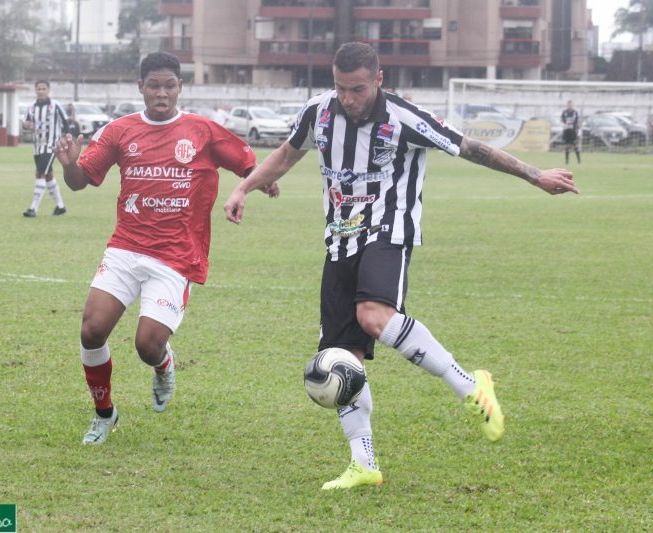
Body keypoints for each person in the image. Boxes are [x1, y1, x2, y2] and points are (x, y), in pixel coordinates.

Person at [224, 42, 579, 490]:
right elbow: (287, 154)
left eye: (356, 89)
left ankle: (470, 386)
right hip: (338, 242)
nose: (347, 99)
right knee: (341, 359)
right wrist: (244, 188)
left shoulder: (405, 117)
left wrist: (535, 175)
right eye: (340, 88)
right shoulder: (320, 111)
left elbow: (471, 148)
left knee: (373, 315)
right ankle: (363, 463)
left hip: (388, 232)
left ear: (379, 79)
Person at [53, 51, 278, 445]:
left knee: (147, 345)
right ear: (140, 87)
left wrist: (259, 181)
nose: (161, 93)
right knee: (91, 331)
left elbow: (245, 161)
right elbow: (80, 181)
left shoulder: (203, 131)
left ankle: (164, 363)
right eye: (153, 85)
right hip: (125, 247)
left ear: (180, 88)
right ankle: (105, 415)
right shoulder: (119, 131)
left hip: (176, 256)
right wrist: (70, 165)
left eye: (169, 86)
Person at [22, 80, 68, 217]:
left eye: (44, 89)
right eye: (39, 89)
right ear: (35, 90)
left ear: (48, 90)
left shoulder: (55, 106)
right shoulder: (31, 108)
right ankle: (60, 206)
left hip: (51, 146)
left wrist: (65, 140)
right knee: (48, 175)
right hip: (37, 146)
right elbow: (26, 124)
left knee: (40, 173)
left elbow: (66, 123)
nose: (41, 91)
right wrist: (26, 125)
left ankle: (33, 208)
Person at [561, 100, 580, 164]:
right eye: (569, 105)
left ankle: (579, 161)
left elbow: (577, 121)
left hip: (573, 131)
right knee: (567, 146)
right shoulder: (565, 112)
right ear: (567, 105)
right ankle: (567, 161)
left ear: (572, 105)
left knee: (575, 145)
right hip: (567, 130)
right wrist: (565, 123)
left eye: (571, 105)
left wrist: (576, 128)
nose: (570, 106)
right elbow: (562, 120)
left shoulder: (575, 112)